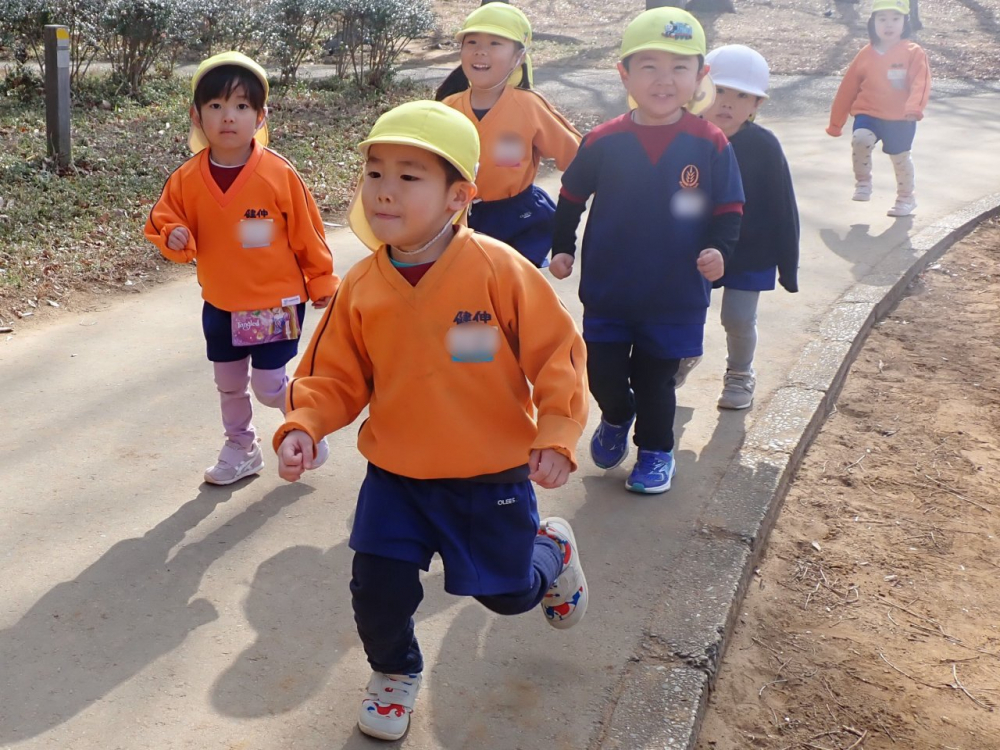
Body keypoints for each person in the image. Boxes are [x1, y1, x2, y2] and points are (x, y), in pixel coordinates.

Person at [273, 101, 590, 742]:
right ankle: (394, 672)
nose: (384, 190)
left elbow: (558, 355)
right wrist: (304, 424)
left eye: (408, 176)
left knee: (508, 595)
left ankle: (551, 550)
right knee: (376, 588)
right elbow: (333, 374)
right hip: (397, 475)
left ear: (458, 196)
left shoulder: (500, 271)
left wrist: (556, 432)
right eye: (375, 173)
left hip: (489, 475)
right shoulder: (362, 285)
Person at [549, 7, 744, 494]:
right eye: (649, 66)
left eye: (679, 67)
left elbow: (729, 207)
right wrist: (562, 247)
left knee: (656, 380)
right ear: (625, 75)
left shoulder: (710, 142)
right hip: (609, 290)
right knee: (604, 376)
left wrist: (719, 250)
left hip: (676, 294)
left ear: (700, 77)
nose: (664, 79)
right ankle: (617, 415)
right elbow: (571, 196)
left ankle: (656, 452)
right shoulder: (603, 140)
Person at [145, 51, 337, 485]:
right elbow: (164, 220)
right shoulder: (186, 179)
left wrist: (322, 279)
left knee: (269, 387)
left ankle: (307, 424)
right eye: (215, 105)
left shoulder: (278, 174)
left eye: (241, 106)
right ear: (196, 116)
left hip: (274, 303)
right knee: (229, 384)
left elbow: (308, 231)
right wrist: (175, 236)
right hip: (221, 302)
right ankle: (241, 447)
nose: (228, 116)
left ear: (260, 116)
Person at [678, 44, 799, 410]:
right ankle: (680, 356)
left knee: (738, 317)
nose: (728, 103)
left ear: (757, 104)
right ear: (700, 91)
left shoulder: (764, 146)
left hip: (751, 250)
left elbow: (783, 206)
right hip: (695, 247)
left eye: (742, 96)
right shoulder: (685, 137)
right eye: (720, 91)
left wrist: (788, 266)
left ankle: (740, 373)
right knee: (682, 310)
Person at [437, 3, 581, 268]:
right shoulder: (446, 109)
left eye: (495, 43)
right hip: (457, 219)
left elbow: (578, 159)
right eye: (472, 42)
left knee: (510, 285)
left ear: (519, 56)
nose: (481, 51)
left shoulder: (529, 106)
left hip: (518, 222)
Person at [827, 0, 931, 217]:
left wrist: (914, 107)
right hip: (869, 112)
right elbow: (847, 89)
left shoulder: (913, 52)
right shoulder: (865, 54)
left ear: (905, 22)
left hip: (901, 117)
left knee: (900, 158)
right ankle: (863, 182)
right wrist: (836, 123)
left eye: (895, 18)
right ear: (872, 22)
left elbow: (920, 83)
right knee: (860, 139)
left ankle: (906, 198)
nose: (888, 24)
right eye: (882, 19)